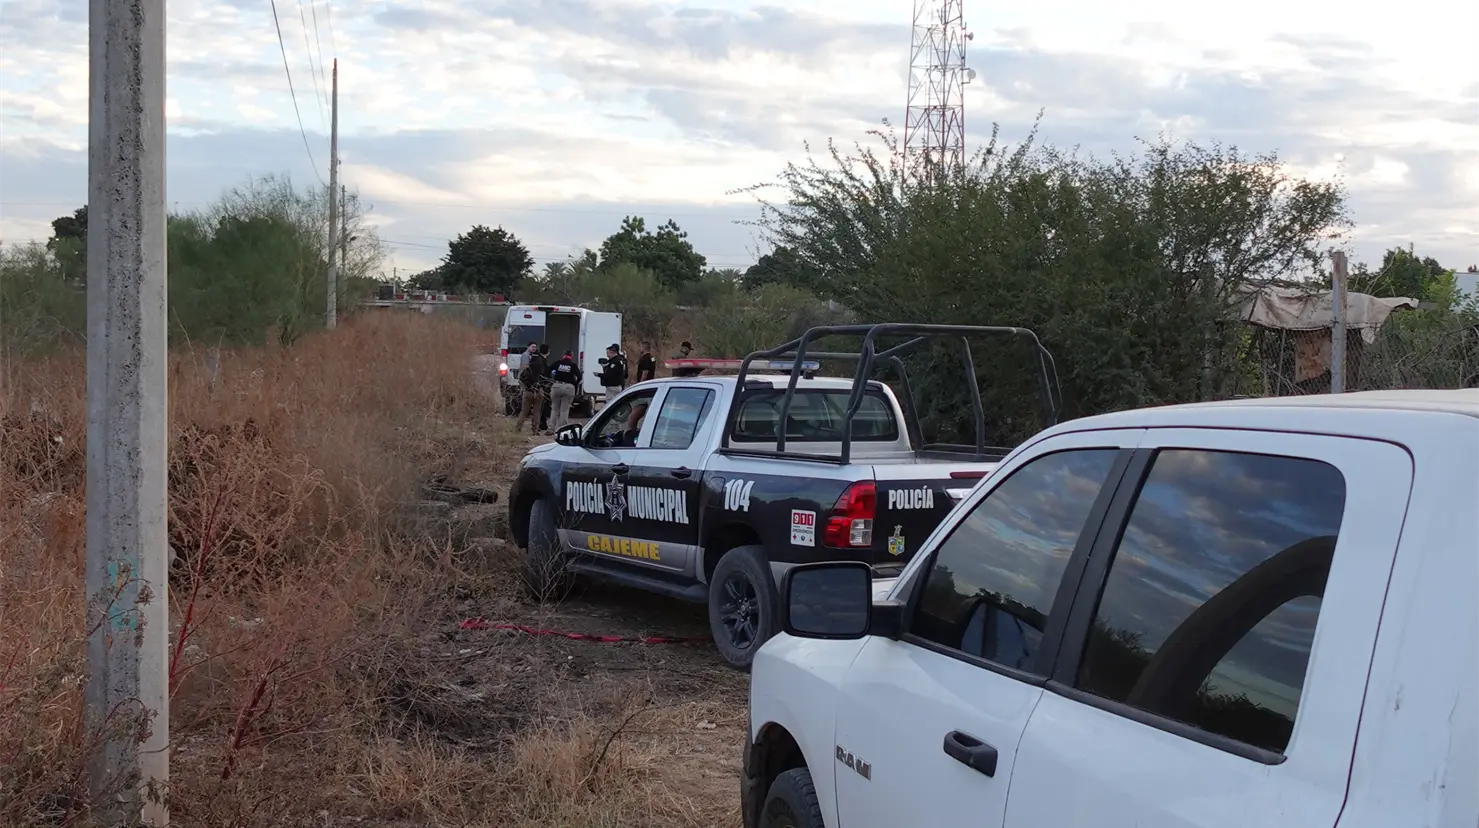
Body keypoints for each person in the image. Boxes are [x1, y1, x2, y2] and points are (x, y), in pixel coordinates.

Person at [514, 342, 547, 434]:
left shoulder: (528, 368)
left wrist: (524, 387)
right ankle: (535, 430)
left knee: (524, 411)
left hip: (528, 391)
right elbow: (545, 378)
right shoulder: (541, 366)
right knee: (536, 412)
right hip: (538, 391)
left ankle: (518, 429)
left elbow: (522, 377)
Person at [549, 350, 579, 432]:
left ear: (563, 355)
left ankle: (551, 428)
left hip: (557, 385)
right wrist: (574, 384)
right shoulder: (573, 365)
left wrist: (551, 380)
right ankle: (562, 430)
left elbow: (548, 369)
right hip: (568, 387)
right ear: (571, 356)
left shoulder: (557, 363)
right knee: (564, 410)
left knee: (554, 409)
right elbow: (579, 376)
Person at [536, 344, 553, 433]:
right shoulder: (542, 361)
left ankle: (541, 424)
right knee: (542, 407)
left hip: (537, 386)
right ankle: (541, 424)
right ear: (548, 352)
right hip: (542, 387)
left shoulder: (537, 359)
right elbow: (544, 375)